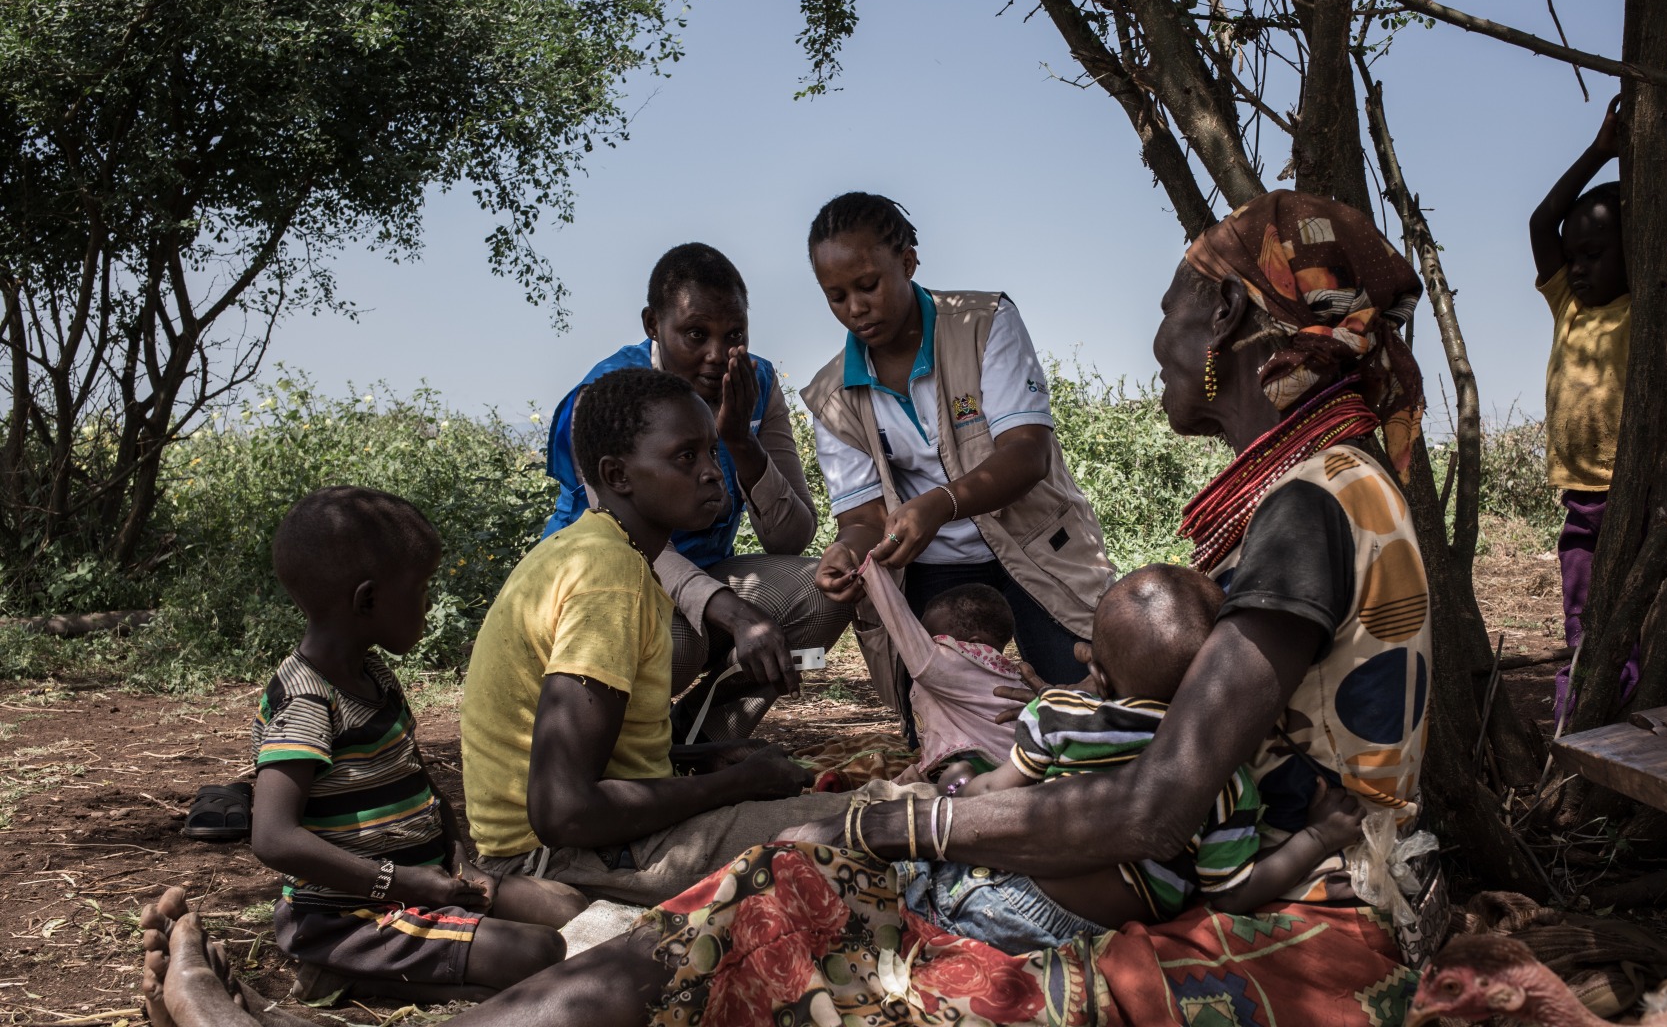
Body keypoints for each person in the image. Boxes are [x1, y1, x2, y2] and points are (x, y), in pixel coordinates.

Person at [141, 190, 1431, 1027]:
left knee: (751, 914)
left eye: (1181, 310)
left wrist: (919, 809)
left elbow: (1158, 803)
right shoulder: (1331, 489)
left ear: (1256, 341)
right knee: (750, 899)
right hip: (1219, 870)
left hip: (1280, 894)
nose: (1158, 339)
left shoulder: (1314, 504)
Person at [463, 366, 913, 906]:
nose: (711, 472)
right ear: (617, 474)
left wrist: (705, 758)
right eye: (685, 457)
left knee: (878, 820)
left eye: (709, 452)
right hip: (553, 858)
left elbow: (609, 755)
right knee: (881, 828)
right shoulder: (607, 575)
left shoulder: (605, 553)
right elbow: (564, 811)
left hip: (575, 840)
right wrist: (737, 786)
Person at [901, 564, 1367, 954]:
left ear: (1098, 676)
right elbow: (1232, 894)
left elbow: (991, 793)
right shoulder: (1223, 776)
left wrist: (951, 791)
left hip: (1000, 896)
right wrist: (1320, 837)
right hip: (1085, 938)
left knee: (961, 782)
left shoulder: (1061, 712)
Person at [252, 487, 587, 1002]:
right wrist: (399, 883)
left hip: (418, 888)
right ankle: (349, 976)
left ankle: (450, 976)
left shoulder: (375, 675)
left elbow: (417, 782)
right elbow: (274, 838)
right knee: (536, 954)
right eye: (422, 587)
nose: (430, 601)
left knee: (570, 908)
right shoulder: (307, 701)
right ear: (367, 600)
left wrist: (457, 858)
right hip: (347, 917)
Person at [802, 192, 1116, 722]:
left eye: (868, 285)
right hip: (932, 568)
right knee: (943, 728)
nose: (854, 308)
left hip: (1035, 547)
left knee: (1088, 706)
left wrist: (938, 505)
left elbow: (1027, 454)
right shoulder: (832, 396)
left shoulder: (986, 322)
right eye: (835, 296)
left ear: (907, 262)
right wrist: (847, 552)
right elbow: (861, 519)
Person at [543, 243, 851, 742]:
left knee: (824, 593)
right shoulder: (603, 401)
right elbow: (627, 542)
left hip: (704, 570)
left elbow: (791, 538)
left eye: (734, 336)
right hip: (602, 588)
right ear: (652, 325)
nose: (716, 356)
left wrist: (739, 440)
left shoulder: (755, 384)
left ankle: (703, 742)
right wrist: (736, 612)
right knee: (677, 642)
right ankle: (610, 752)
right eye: (695, 335)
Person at [1529, 98, 1667, 723]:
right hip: (1582, 500)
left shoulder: (1658, 309)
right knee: (1583, 614)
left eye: (1593, 254)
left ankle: (1622, 710)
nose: (1575, 266)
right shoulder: (1568, 308)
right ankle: (1585, 706)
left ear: (1634, 250)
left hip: (1641, 497)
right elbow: (1540, 223)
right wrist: (1601, 151)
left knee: (1636, 611)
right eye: (1572, 255)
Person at [857, 550, 1023, 781]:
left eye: (934, 641)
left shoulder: (960, 665)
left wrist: (871, 572)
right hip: (1000, 765)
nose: (928, 648)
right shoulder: (993, 672)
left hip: (989, 767)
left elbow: (904, 629)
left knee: (938, 787)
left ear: (973, 645)